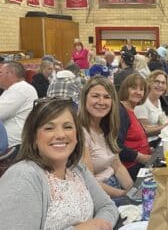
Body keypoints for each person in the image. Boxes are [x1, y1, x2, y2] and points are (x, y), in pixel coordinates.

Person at [0, 97, 118, 229]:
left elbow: (107, 206)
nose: (60, 134)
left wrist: (99, 224)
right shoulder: (22, 177)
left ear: (77, 135)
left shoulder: (76, 168)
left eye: (67, 127)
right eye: (49, 128)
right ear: (33, 138)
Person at [80, 76, 134, 204]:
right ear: (84, 99)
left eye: (106, 97)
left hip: (115, 187)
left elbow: (117, 166)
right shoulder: (80, 132)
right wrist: (124, 195)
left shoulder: (106, 127)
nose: (101, 101)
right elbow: (89, 182)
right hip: (99, 196)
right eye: (95, 96)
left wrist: (134, 191)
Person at [118, 74, 152, 179]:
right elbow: (117, 146)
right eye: (133, 88)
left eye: (141, 89)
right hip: (132, 168)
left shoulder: (131, 109)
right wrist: (143, 157)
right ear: (125, 89)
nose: (138, 92)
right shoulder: (120, 111)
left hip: (142, 161)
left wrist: (149, 149)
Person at [0, 61, 38, 151]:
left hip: (13, 144)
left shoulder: (20, 88)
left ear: (11, 73)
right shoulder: (13, 89)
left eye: (0, 73)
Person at [135, 70, 168, 137]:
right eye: (157, 82)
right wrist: (167, 126)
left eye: (163, 83)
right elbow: (145, 131)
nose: (160, 85)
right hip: (151, 144)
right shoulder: (142, 103)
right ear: (149, 83)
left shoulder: (158, 100)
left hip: (160, 138)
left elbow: (157, 122)